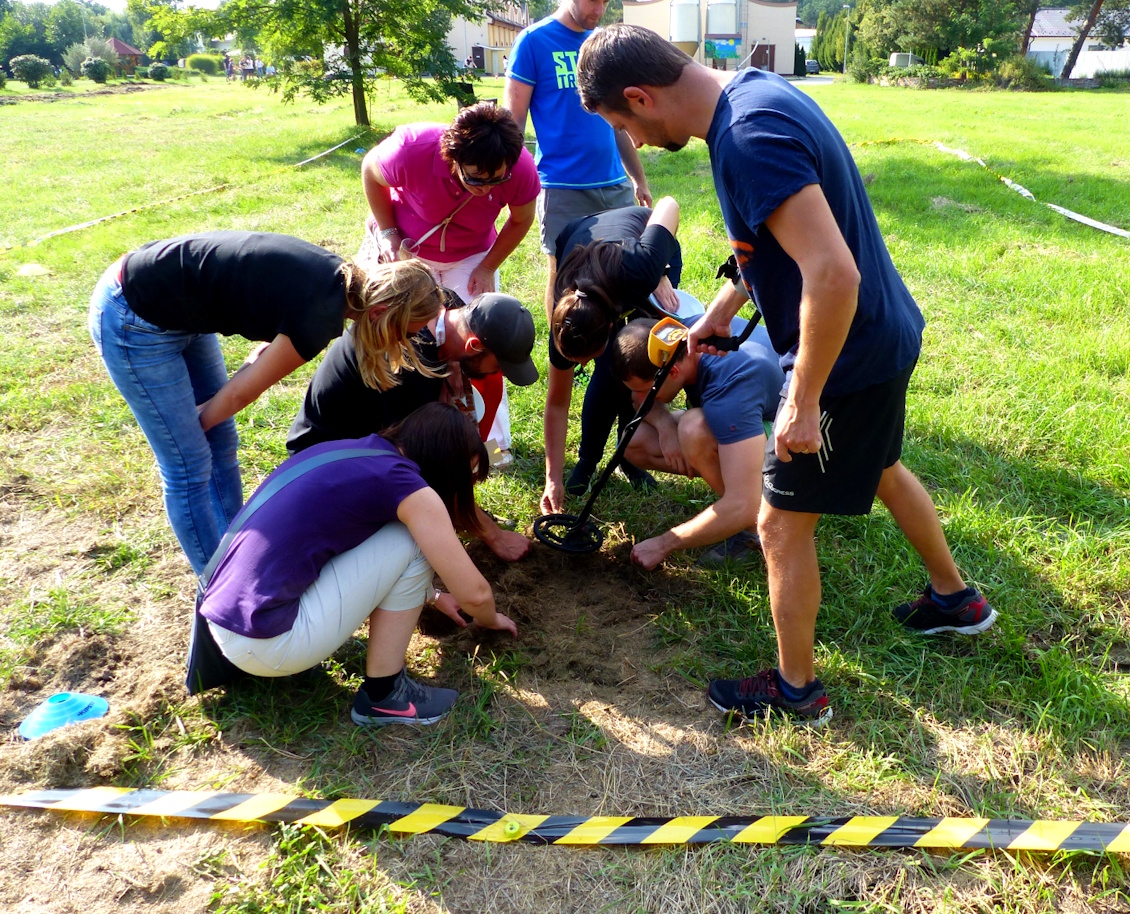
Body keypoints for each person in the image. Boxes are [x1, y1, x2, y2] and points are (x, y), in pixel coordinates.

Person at [576, 26, 997, 727]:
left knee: (777, 525)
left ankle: (797, 692)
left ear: (640, 96)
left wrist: (801, 400)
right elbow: (777, 239)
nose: (636, 142)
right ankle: (957, 600)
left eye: (625, 125)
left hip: (844, 356)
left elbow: (833, 274)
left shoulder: (746, 139)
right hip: (882, 335)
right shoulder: (754, 98)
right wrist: (719, 311)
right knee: (882, 466)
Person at [88, 233, 443, 576]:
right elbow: (242, 394)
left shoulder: (340, 280)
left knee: (221, 443)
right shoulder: (319, 315)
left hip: (178, 307)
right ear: (381, 311)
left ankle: (233, 557)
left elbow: (264, 342)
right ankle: (218, 589)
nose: (412, 340)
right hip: (134, 312)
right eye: (409, 331)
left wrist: (205, 415)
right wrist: (191, 426)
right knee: (188, 463)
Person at [199, 403, 518, 726]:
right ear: (446, 463)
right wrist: (490, 620)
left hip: (226, 620)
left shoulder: (358, 453)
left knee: (401, 533)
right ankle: (385, 695)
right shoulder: (407, 487)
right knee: (412, 539)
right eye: (466, 474)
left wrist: (432, 596)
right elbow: (475, 596)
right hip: (267, 643)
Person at [287, 291, 539, 561]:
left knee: (484, 385)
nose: (498, 372)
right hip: (323, 462)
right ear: (473, 345)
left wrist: (452, 363)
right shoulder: (409, 368)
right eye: (499, 364)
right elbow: (430, 471)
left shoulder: (444, 305)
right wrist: (494, 534)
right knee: (414, 540)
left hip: (370, 432)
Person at [360, 101, 539, 464]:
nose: (484, 189)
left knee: (483, 347)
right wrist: (390, 233)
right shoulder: (412, 148)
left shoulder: (519, 167)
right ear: (452, 156)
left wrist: (488, 267)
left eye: (496, 180)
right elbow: (370, 171)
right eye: (475, 177)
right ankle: (400, 433)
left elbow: (521, 220)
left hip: (472, 254)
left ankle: (491, 445)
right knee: (404, 339)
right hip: (408, 249)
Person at [502, 0, 653, 347]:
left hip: (613, 185)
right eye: (592, 0)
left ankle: (613, 346)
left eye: (605, 1)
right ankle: (564, 350)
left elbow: (618, 123)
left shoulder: (601, 44)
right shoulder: (533, 42)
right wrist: (506, 185)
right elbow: (513, 124)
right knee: (564, 278)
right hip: (562, 186)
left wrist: (638, 178)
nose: (599, 9)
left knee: (620, 273)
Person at [541, 198, 681, 514]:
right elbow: (557, 402)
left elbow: (668, 204)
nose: (582, 366)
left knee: (628, 367)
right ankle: (588, 461)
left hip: (652, 246)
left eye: (587, 357)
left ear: (608, 326)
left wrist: (659, 267)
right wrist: (553, 477)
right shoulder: (567, 319)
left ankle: (626, 454)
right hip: (581, 237)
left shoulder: (640, 270)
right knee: (608, 368)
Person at [609, 316, 784, 568]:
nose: (637, 399)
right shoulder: (681, 336)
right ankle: (731, 486)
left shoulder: (729, 390)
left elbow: (744, 505)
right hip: (748, 417)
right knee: (634, 441)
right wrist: (665, 425)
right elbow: (641, 405)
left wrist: (665, 543)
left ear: (674, 372)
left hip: (800, 439)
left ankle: (754, 531)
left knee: (694, 431)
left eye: (645, 390)